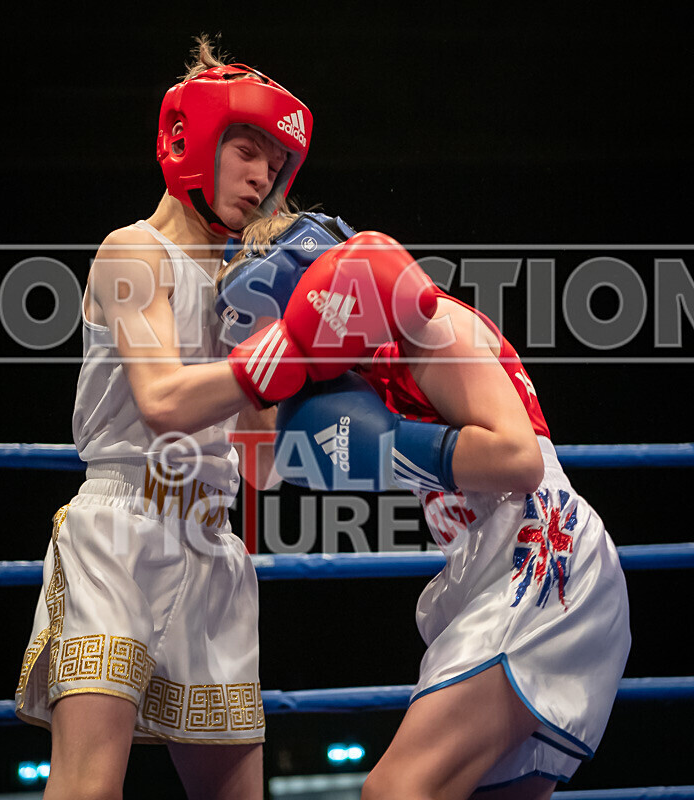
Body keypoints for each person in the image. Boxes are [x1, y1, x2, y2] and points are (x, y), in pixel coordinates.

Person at [221, 211, 631, 800]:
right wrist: (249, 370)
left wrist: (389, 448)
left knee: (397, 789)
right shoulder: (354, 374)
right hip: (490, 570)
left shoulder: (430, 327)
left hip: (542, 561)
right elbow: (263, 469)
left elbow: (519, 460)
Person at [13, 37, 313, 800]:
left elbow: (259, 469)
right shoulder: (131, 254)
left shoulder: (249, 287)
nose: (261, 178)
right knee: (88, 784)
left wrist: (272, 345)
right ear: (195, 142)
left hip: (214, 541)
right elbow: (163, 402)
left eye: (276, 168)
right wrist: (284, 348)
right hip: (121, 530)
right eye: (248, 151)